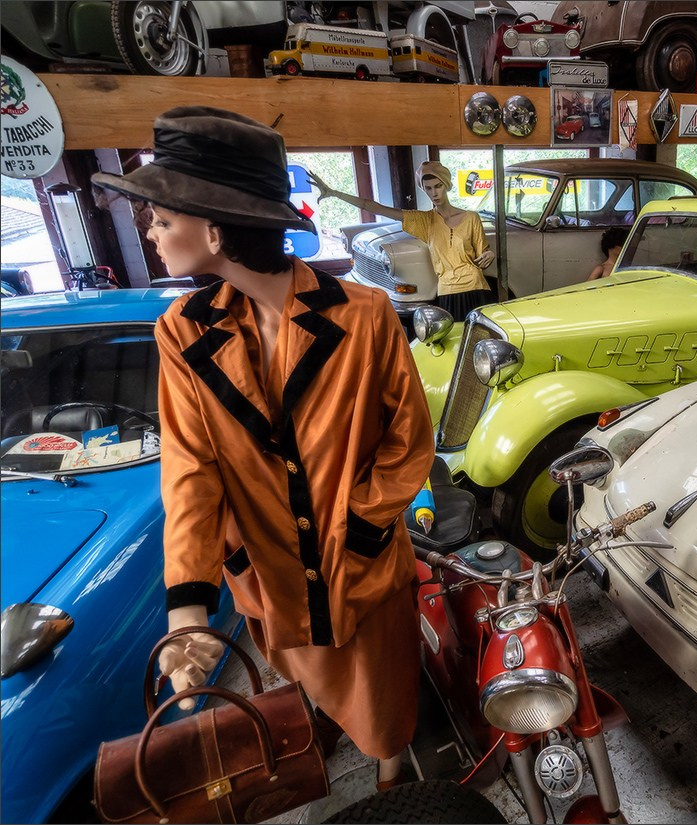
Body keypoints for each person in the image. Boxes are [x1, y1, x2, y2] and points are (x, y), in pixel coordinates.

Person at [91, 106, 435, 790]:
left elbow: (408, 442)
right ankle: (321, 735)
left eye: (162, 218)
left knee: (383, 703)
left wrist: (362, 527)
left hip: (360, 569)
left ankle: (393, 783)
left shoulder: (364, 316)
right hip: (270, 577)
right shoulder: (183, 334)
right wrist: (188, 605)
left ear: (214, 228)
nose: (152, 234)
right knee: (296, 686)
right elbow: (191, 471)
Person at [309, 163, 496, 318]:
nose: (434, 193)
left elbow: (483, 253)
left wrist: (489, 253)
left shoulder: (471, 218)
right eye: (429, 189)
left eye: (438, 186)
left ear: (446, 185)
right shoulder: (425, 221)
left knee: (480, 343)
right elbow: (374, 207)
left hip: (476, 287)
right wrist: (335, 193)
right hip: (447, 291)